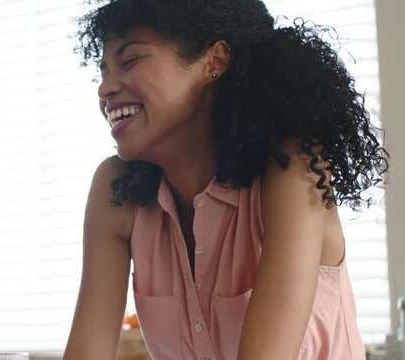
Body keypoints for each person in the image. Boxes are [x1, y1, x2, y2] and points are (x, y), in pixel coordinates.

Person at [64, 0, 389, 359]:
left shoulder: (292, 168)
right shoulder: (117, 191)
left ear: (214, 62)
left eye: (129, 60)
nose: (105, 88)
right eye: (103, 70)